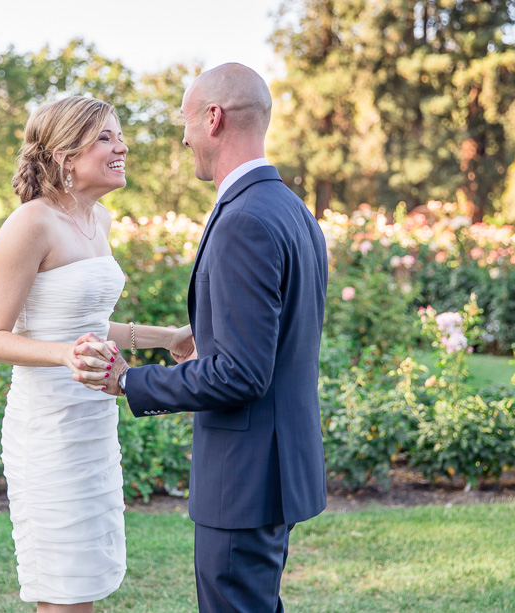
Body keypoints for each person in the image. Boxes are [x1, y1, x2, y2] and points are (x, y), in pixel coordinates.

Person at [73, 63, 329, 612]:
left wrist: (128, 382)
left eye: (186, 120)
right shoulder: (289, 209)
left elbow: (241, 373)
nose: (183, 136)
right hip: (273, 469)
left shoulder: (245, 219)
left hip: (245, 478)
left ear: (213, 118)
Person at [0, 96, 194, 613]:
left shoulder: (101, 222)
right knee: (61, 588)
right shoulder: (29, 224)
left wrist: (169, 338)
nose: (122, 147)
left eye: (118, 136)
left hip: (92, 422)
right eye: (106, 138)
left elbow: (90, 328)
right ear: (65, 156)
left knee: (86, 582)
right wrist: (64, 356)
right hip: (47, 428)